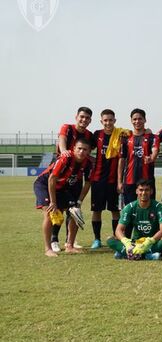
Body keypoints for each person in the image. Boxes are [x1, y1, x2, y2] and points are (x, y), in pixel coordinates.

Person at [34, 138, 93, 257]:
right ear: (74, 149)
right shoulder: (65, 158)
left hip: (62, 188)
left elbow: (87, 183)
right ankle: (48, 249)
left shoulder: (88, 163)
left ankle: (69, 246)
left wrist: (79, 201)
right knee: (49, 213)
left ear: (88, 151)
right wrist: (53, 202)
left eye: (85, 149)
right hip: (44, 185)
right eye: (79, 149)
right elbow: (52, 179)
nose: (81, 152)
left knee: (75, 212)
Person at [49, 107, 94, 252]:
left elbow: (88, 151)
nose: (84, 120)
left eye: (87, 118)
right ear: (76, 117)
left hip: (76, 177)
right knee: (59, 208)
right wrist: (64, 152)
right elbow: (61, 140)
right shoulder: (67, 128)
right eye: (82, 117)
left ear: (90, 120)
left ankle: (70, 242)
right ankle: (54, 239)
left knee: (74, 209)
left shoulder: (89, 135)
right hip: (62, 173)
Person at [107, 179, 162, 260]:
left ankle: (126, 253)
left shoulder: (159, 207)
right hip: (135, 243)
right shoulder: (130, 207)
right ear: (136, 191)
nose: (144, 193)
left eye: (147, 190)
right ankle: (147, 255)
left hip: (152, 242)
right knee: (110, 239)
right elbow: (118, 230)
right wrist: (126, 242)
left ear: (151, 191)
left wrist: (150, 241)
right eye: (141, 190)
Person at [89, 109, 123, 249]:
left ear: (115, 120)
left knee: (115, 211)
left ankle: (116, 237)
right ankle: (97, 239)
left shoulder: (121, 135)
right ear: (101, 121)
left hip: (114, 180)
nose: (108, 122)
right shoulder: (97, 135)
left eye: (111, 120)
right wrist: (93, 160)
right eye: (105, 120)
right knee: (97, 210)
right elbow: (85, 148)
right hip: (98, 179)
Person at [118, 108, 159, 204]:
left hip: (147, 180)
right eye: (135, 119)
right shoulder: (125, 137)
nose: (137, 121)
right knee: (129, 210)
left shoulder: (153, 137)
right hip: (129, 181)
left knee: (149, 210)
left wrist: (152, 157)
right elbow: (122, 160)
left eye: (140, 119)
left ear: (145, 120)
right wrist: (119, 182)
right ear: (131, 120)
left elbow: (155, 150)